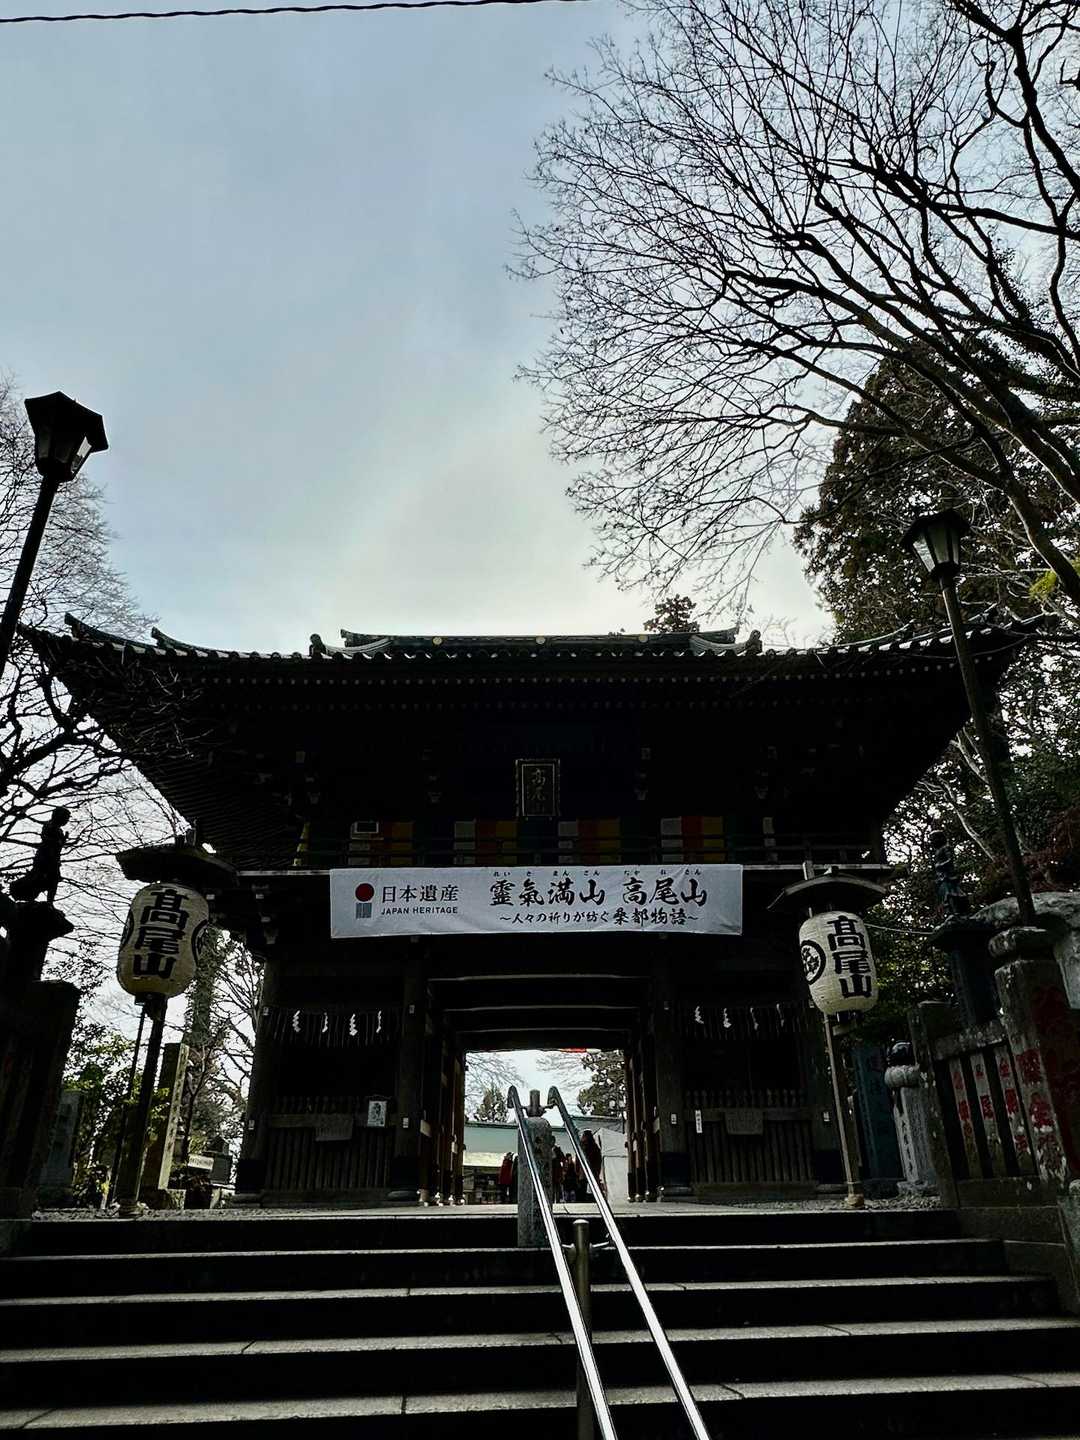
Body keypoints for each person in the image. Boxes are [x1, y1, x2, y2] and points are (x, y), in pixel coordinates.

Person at [580, 1129, 604, 1200]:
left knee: (588, 1190)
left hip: (589, 1171)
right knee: (590, 1189)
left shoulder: (588, 1147)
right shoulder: (594, 1147)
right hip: (590, 1171)